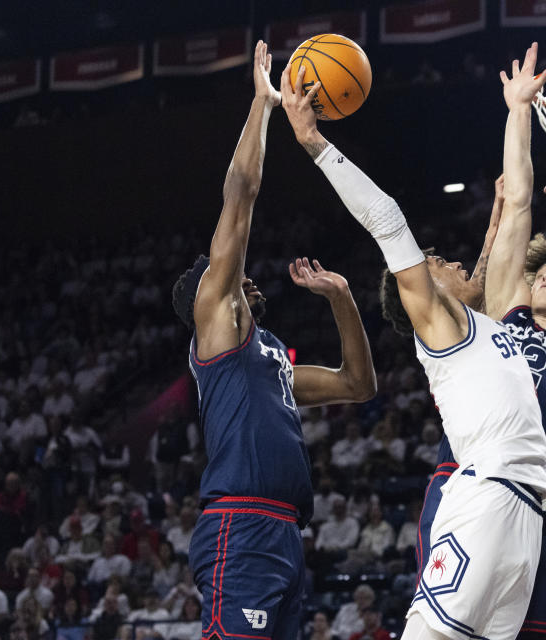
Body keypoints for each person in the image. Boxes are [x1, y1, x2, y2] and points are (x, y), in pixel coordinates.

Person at [282, 43, 546, 640]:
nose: (446, 258)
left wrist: (517, 110)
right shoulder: (441, 327)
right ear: (419, 295)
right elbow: (387, 219)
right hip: (484, 500)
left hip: (527, 511)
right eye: (432, 260)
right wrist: (311, 143)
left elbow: (516, 212)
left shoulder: (485, 323)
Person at [414, 40, 546, 640]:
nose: (543, 277)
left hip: (531, 501)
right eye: (540, 272)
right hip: (464, 474)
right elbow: (517, 207)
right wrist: (518, 109)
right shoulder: (509, 313)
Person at [171, 42, 377, 640]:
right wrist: (262, 105)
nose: (244, 276)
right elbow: (240, 194)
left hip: (285, 531)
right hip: (241, 523)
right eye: (226, 276)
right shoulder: (218, 329)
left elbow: (358, 385)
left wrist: (341, 299)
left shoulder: (269, 362)